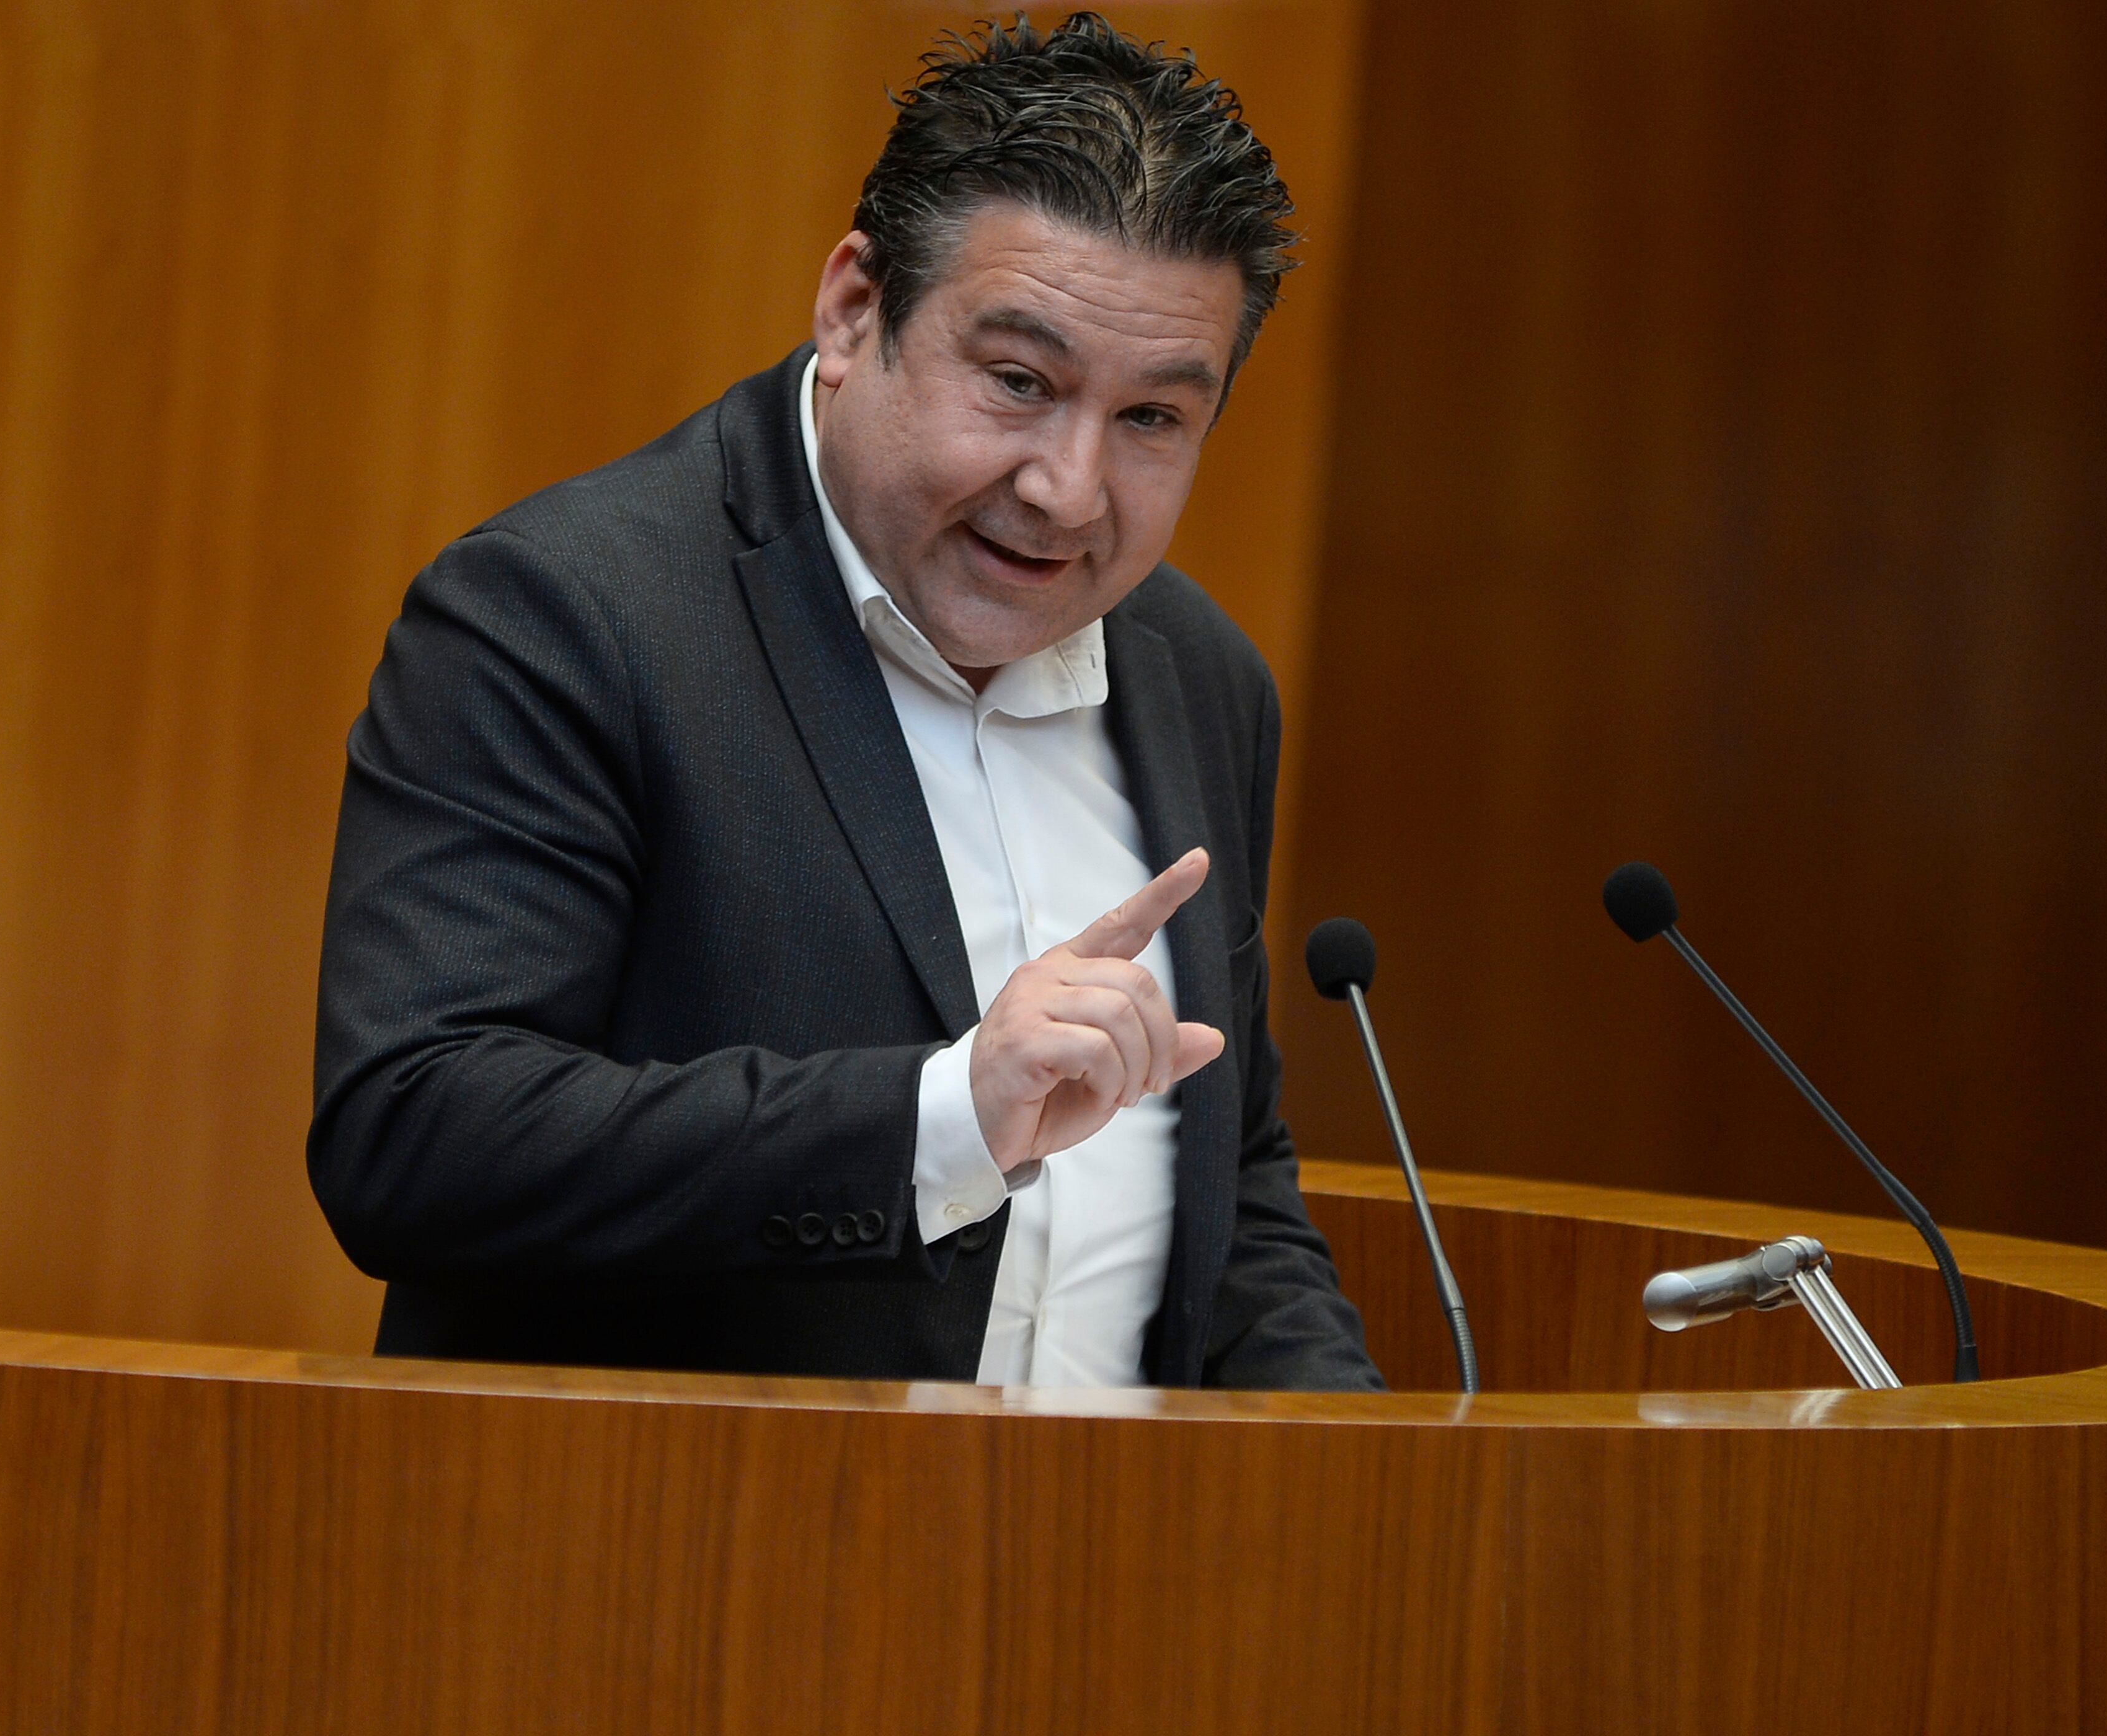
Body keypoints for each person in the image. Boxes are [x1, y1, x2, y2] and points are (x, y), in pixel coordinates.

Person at [309, 14, 1382, 1391]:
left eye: (1151, 420)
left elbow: (1226, 1182)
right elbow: (416, 1133)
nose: (1069, 485)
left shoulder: (1198, 675)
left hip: (1108, 1577)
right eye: (1017, 382)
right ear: (855, 305)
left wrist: (1364, 1486)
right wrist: (941, 1117)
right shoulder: (565, 614)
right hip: (679, 1566)